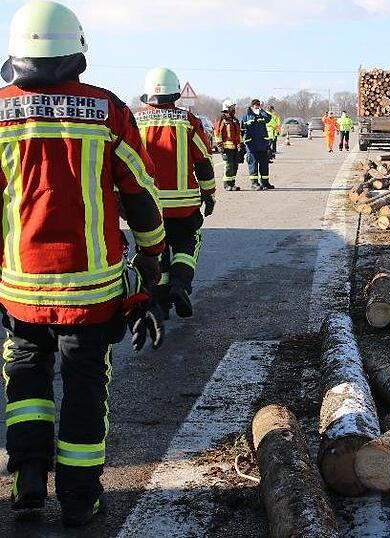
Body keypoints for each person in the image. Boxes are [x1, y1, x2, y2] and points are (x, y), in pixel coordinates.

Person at [0, 1, 166, 526]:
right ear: (77, 48)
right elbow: (140, 194)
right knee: (84, 385)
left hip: (20, 286)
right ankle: (79, 498)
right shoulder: (108, 110)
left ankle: (27, 476)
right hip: (92, 291)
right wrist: (154, 259)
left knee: (26, 377)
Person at [135, 67, 216, 319]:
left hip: (147, 204)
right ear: (175, 91)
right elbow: (203, 160)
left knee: (155, 250)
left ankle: (159, 302)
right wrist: (209, 193)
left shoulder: (133, 121)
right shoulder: (188, 121)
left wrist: (121, 200)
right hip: (184, 205)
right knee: (187, 244)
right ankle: (180, 286)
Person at [240, 99, 274, 190]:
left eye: (259, 105)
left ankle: (265, 183)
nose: (257, 107)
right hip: (252, 146)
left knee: (264, 165)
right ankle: (254, 184)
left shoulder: (262, 115)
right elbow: (241, 131)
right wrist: (242, 143)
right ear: (251, 106)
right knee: (253, 165)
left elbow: (269, 118)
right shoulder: (246, 117)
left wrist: (262, 110)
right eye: (256, 105)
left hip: (263, 144)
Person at [214, 99, 243, 191]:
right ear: (227, 108)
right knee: (229, 166)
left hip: (235, 147)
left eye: (234, 107)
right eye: (232, 107)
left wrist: (241, 145)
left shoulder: (234, 119)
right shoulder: (222, 119)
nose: (234, 109)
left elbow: (238, 134)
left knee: (235, 166)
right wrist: (220, 146)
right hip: (226, 148)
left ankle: (232, 183)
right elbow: (217, 133)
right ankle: (227, 184)